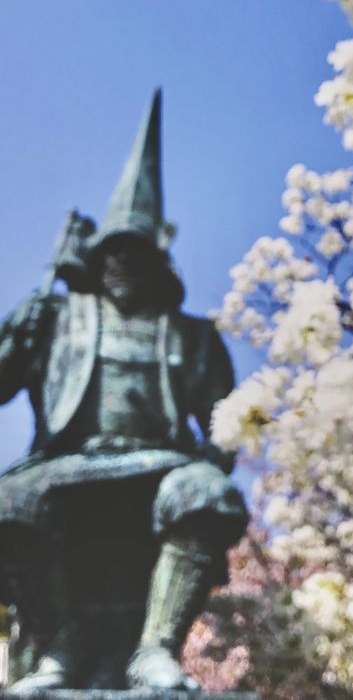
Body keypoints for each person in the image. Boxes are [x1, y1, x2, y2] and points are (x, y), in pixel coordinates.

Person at [0, 91, 248, 692]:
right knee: (8, 502)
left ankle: (155, 650)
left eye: (135, 251)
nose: (122, 263)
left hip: (160, 463)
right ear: (95, 255)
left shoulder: (192, 335)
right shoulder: (58, 318)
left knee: (208, 492)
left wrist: (213, 459)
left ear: (157, 260)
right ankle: (60, 644)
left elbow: (229, 422)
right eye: (113, 250)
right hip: (67, 463)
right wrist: (17, 336)